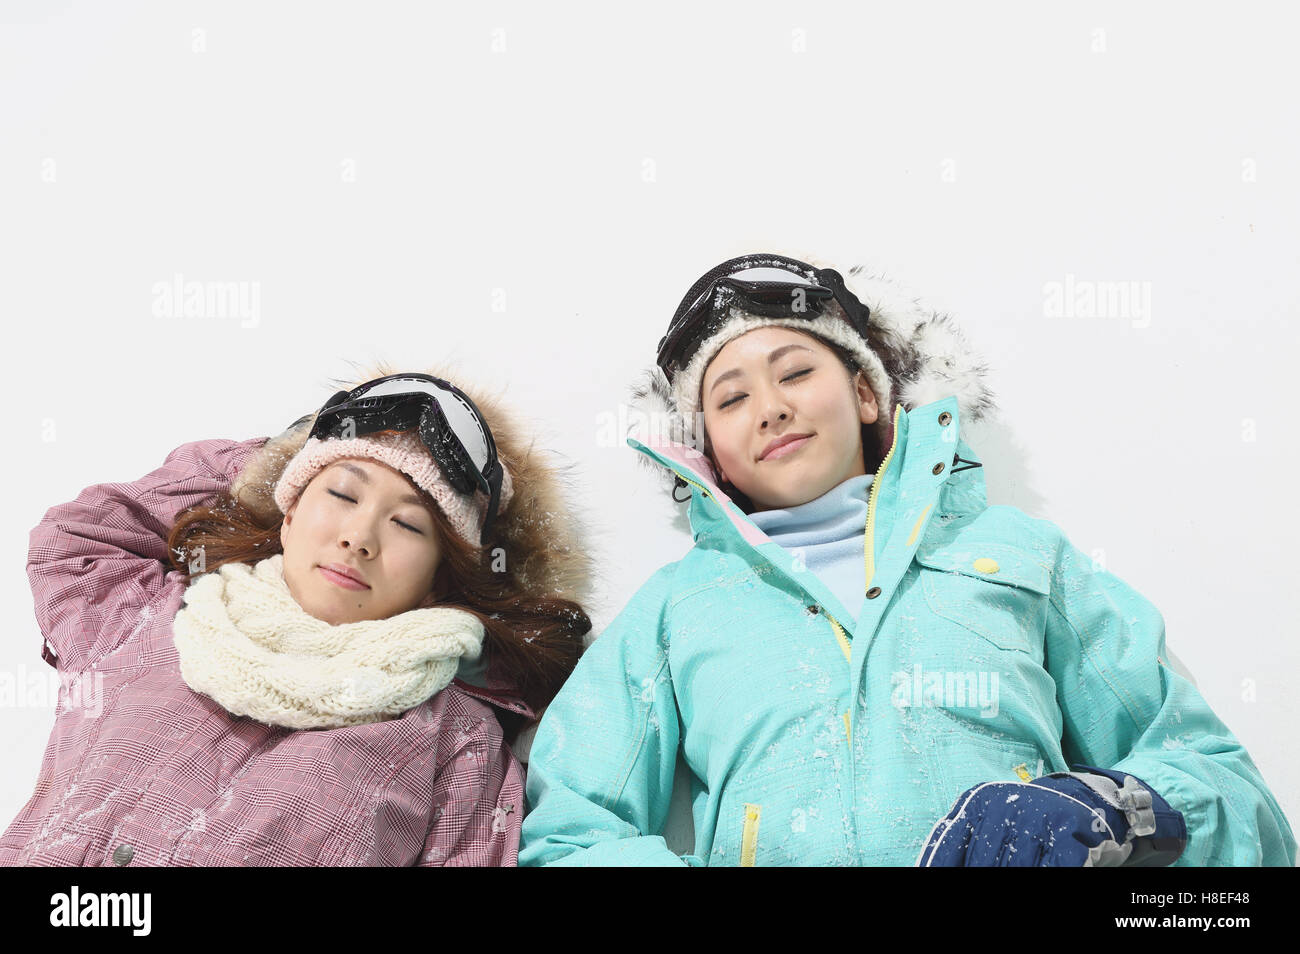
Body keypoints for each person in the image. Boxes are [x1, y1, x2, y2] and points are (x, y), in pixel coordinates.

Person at [519, 254, 1296, 866]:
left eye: (795, 372)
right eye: (729, 398)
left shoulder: (1021, 555)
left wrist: (1116, 806)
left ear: (864, 393)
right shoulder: (674, 611)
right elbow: (567, 832)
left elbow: (1230, 792)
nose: (772, 406)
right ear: (710, 451)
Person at [3, 364, 590, 866]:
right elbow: (75, 538)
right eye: (341, 494)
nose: (359, 538)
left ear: (439, 579)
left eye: (408, 524)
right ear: (286, 512)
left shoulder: (456, 741)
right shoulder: (153, 616)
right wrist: (266, 461)